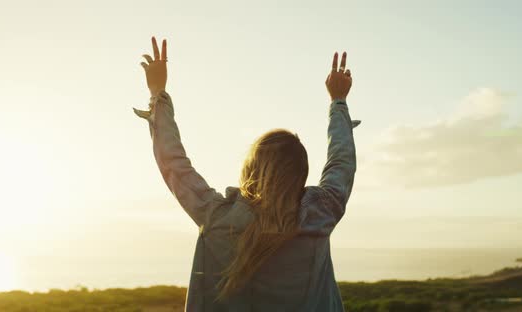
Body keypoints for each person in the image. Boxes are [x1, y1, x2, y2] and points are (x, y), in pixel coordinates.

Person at [134, 36, 358, 312]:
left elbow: (174, 163)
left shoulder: (216, 216)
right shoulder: (319, 217)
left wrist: (158, 93)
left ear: (251, 167)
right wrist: (338, 103)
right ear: (301, 173)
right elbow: (342, 162)